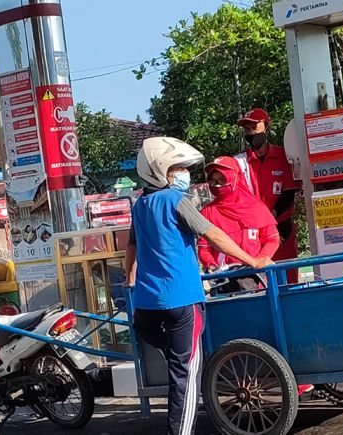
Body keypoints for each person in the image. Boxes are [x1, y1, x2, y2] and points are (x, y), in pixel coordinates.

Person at [124, 137, 273, 435]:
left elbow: (131, 246)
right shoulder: (175, 201)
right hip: (182, 301)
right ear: (161, 170)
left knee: (162, 345)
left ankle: (176, 355)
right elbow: (212, 234)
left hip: (146, 305)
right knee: (186, 374)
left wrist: (130, 278)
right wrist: (253, 260)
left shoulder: (140, 205)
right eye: (177, 168)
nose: (183, 173)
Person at [196, 156, 313, 397]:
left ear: (235, 178)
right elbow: (204, 247)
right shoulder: (207, 212)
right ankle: (236, 378)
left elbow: (271, 238)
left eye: (222, 179)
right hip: (224, 282)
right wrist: (210, 265)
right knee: (232, 332)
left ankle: (293, 377)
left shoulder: (255, 206)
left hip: (257, 279)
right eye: (213, 180)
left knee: (271, 327)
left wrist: (260, 260)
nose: (218, 185)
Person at [235, 108, 302, 283]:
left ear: (266, 126)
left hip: (282, 228)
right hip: (253, 232)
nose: (250, 132)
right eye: (247, 129)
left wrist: (271, 218)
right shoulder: (240, 163)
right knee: (258, 282)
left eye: (254, 127)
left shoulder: (282, 155)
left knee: (287, 280)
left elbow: (289, 192)